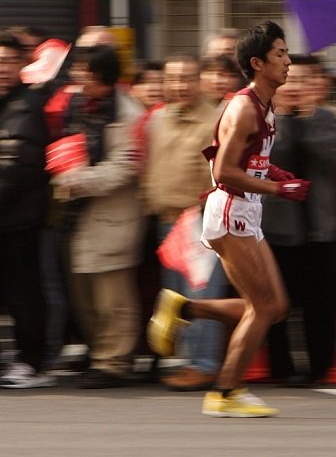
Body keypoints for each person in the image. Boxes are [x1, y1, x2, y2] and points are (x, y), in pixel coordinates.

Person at [147, 21, 310, 418]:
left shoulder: (266, 104)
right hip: (230, 212)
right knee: (261, 308)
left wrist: (276, 175)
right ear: (257, 63)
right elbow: (223, 171)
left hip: (247, 211)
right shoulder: (243, 107)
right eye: (280, 55)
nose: (288, 63)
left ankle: (185, 310)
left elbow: (249, 163)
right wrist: (277, 190)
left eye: (287, 53)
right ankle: (224, 392)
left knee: (275, 306)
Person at [51, 45, 146, 388]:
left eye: (86, 72)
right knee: (83, 294)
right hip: (75, 214)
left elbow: (127, 164)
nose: (79, 77)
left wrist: (78, 181)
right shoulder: (74, 104)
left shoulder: (128, 113)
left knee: (113, 298)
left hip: (111, 214)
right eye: (77, 70)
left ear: (104, 76)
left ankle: (115, 362)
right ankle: (99, 355)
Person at [263, 54, 336, 385]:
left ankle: (320, 368)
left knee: (322, 306)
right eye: (289, 79)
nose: (296, 87)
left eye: (304, 80)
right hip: (277, 228)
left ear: (318, 84)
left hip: (322, 227)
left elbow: (334, 158)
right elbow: (271, 156)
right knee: (277, 304)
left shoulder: (333, 121)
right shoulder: (265, 120)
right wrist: (288, 119)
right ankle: (281, 368)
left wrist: (306, 118)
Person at [140, 55, 226, 391]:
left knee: (201, 296)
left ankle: (205, 365)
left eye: (188, 78)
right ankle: (188, 361)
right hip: (166, 220)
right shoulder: (158, 117)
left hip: (200, 221)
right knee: (174, 296)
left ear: (202, 80)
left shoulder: (218, 118)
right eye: (173, 79)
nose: (180, 85)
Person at [0, 32, 54, 388]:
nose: (2, 68)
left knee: (23, 294)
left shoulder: (26, 106)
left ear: (23, 65)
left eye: (8, 61)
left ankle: (30, 363)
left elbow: (17, 164)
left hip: (18, 219)